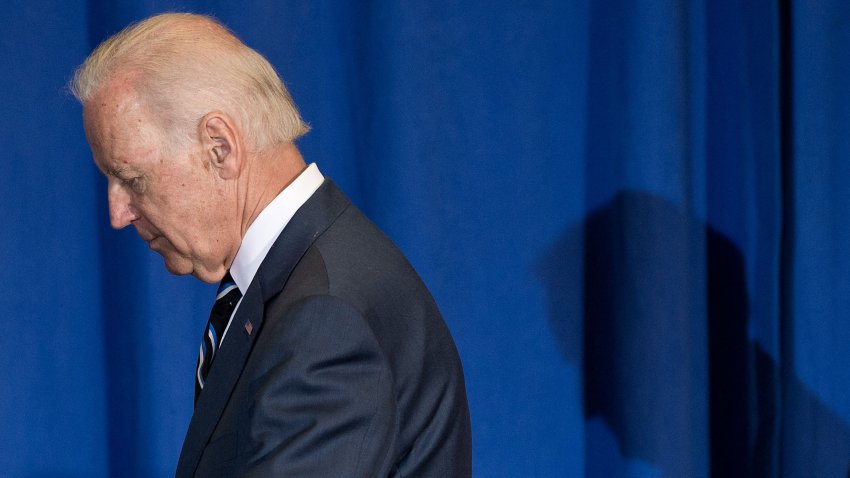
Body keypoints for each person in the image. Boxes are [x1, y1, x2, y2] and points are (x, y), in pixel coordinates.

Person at [71, 12, 471, 477]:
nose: (118, 214)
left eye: (132, 179)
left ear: (219, 147)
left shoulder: (326, 318)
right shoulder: (297, 285)